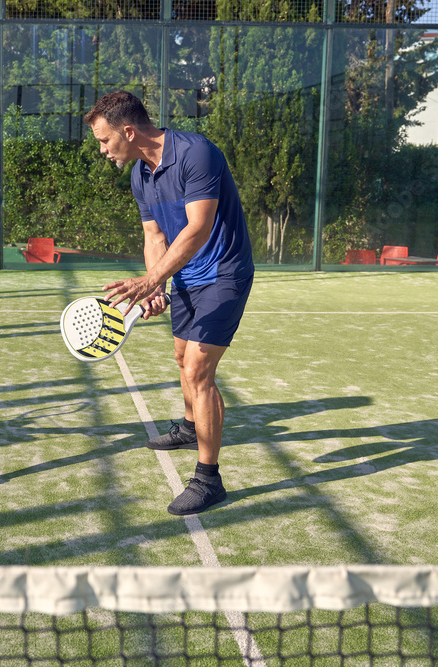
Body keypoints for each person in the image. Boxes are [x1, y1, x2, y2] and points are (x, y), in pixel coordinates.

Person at [83, 90, 254, 516]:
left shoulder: (197, 153)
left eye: (105, 141)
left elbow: (199, 227)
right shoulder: (140, 175)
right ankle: (190, 427)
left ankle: (208, 480)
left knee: (199, 369)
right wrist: (156, 287)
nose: (103, 151)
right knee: (181, 357)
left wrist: (152, 278)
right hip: (185, 277)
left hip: (224, 273)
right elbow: (154, 237)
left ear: (128, 130)